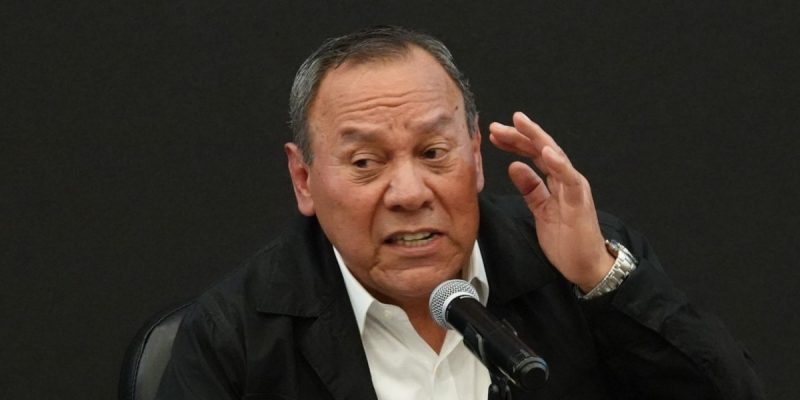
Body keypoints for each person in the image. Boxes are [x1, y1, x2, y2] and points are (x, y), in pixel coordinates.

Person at [155, 26, 764, 399]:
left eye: (433, 153)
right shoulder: (235, 336)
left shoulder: (572, 263)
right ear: (304, 180)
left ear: (474, 155)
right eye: (366, 162)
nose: (409, 192)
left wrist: (598, 278)